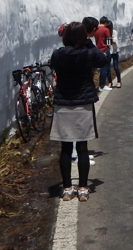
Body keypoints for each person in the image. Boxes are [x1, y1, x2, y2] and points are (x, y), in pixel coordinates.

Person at [49, 19, 107, 201]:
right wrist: (88, 43)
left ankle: (67, 188)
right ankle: (83, 188)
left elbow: (54, 66)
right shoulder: (88, 53)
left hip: (64, 103)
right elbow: (103, 59)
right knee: (82, 147)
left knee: (66, 148)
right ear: (83, 36)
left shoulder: (58, 54)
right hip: (83, 103)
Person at [94, 16, 113, 91]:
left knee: (102, 68)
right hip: (105, 49)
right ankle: (102, 85)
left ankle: (101, 85)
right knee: (105, 68)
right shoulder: (106, 29)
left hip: (98, 49)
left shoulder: (96, 29)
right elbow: (109, 42)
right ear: (105, 22)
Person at [103, 18, 121, 88]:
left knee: (116, 67)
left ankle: (119, 81)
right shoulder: (105, 33)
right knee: (107, 67)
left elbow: (114, 41)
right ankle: (110, 82)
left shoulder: (114, 32)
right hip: (107, 51)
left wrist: (110, 40)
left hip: (114, 51)